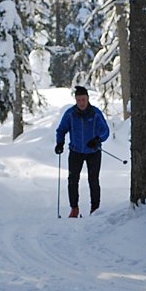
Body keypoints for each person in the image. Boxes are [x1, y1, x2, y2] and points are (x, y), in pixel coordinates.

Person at [54, 85, 110, 218]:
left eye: (83, 99)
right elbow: (61, 130)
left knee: (93, 180)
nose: (81, 103)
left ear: (88, 99)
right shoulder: (70, 113)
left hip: (93, 152)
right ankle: (74, 208)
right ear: (76, 100)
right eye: (79, 100)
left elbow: (105, 131)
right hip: (76, 152)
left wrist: (98, 139)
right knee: (73, 180)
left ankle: (95, 208)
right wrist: (59, 143)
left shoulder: (95, 113)